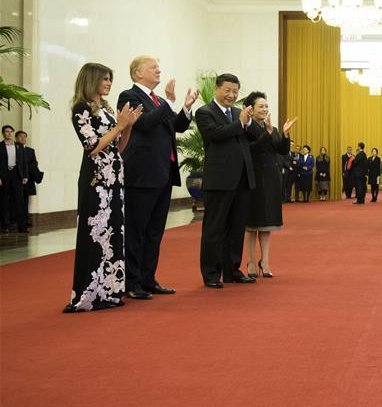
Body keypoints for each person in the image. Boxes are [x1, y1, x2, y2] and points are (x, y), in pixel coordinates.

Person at [117, 55, 198, 300]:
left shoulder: (160, 101)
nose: (158, 71)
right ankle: (132, 282)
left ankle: (148, 279)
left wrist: (185, 107)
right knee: (137, 230)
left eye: (159, 67)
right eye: (153, 67)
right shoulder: (129, 96)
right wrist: (169, 103)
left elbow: (177, 126)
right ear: (138, 73)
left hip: (163, 173)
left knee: (155, 231)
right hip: (141, 174)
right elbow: (144, 124)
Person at [66, 62, 142, 312]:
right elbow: (92, 147)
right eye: (104, 79)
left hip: (115, 177)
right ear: (92, 80)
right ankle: (88, 294)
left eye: (110, 79)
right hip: (95, 179)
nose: (109, 83)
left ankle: (109, 291)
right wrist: (119, 125)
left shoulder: (107, 110)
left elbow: (118, 147)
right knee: (95, 233)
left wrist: (128, 126)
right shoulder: (81, 108)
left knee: (114, 231)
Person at [195, 73, 262, 288]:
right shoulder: (205, 112)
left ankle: (232, 270)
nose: (232, 95)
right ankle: (211, 273)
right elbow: (215, 134)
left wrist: (248, 121)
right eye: (228, 90)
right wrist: (240, 123)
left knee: (236, 227)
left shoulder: (237, 113)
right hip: (219, 180)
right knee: (214, 228)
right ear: (217, 89)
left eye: (235, 91)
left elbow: (256, 135)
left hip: (242, 179)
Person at [243, 91, 296, 278]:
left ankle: (264, 261)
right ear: (251, 109)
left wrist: (285, 134)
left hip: (272, 179)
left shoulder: (271, 128)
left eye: (266, 106)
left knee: (267, 224)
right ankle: (251, 261)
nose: (265, 109)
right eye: (261, 106)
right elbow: (254, 149)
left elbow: (282, 150)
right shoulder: (247, 126)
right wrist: (267, 132)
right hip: (254, 180)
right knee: (252, 225)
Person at [1, 124, 30, 233]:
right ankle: (5, 226)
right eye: (7, 131)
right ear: (3, 133)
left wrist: (25, 175)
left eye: (11, 131)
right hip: (4, 175)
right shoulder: (0, 146)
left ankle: (22, 227)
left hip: (17, 175)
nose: (9, 133)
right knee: (4, 200)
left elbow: (24, 162)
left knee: (20, 200)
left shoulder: (19, 146)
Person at [14, 131, 42, 228]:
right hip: (16, 179)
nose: (23, 138)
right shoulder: (13, 149)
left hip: (28, 179)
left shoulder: (30, 150)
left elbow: (34, 163)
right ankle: (14, 221)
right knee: (15, 200)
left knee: (25, 200)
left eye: (24, 136)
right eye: (20, 136)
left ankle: (25, 220)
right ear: (16, 138)